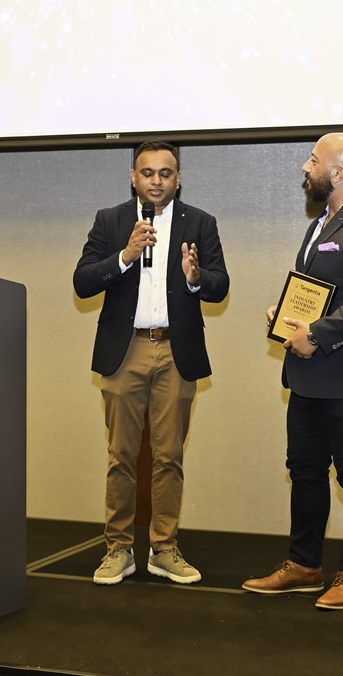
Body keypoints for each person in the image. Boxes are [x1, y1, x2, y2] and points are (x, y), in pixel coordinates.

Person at [242, 132, 343, 610]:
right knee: (305, 470)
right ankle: (304, 565)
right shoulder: (323, 222)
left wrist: (315, 333)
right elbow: (321, 290)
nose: (304, 167)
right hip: (310, 376)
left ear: (337, 172)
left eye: (312, 160)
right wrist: (286, 317)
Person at [73, 141, 229, 585]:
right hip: (126, 350)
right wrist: (124, 256)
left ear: (178, 178)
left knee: (169, 457)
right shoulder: (110, 220)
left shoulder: (200, 222)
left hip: (176, 351)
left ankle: (164, 548)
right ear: (133, 177)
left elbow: (220, 284)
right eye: (147, 173)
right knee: (121, 454)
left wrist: (197, 279)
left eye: (165, 173)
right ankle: (118, 549)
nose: (156, 181)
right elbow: (82, 281)